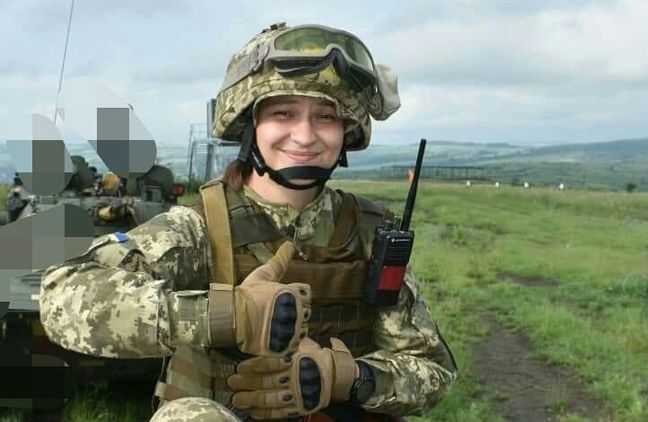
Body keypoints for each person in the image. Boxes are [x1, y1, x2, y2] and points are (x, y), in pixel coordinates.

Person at [39, 22, 456, 421]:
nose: (305, 135)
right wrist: (224, 316)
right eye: (284, 113)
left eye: (325, 117)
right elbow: (63, 296)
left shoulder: (366, 232)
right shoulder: (200, 228)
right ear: (250, 124)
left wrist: (349, 377)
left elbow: (431, 369)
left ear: (347, 130)